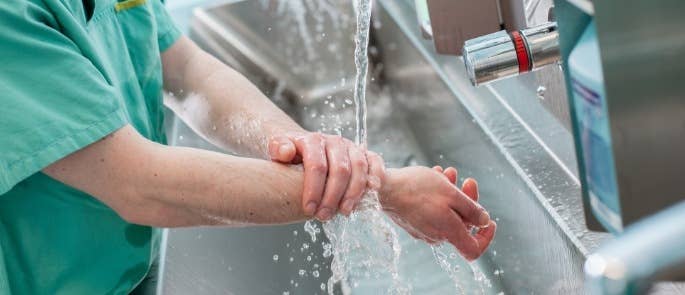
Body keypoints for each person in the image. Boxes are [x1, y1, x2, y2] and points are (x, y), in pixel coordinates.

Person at [0, 0, 496, 293]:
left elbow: (190, 73)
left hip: (126, 272)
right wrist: (379, 187)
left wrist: (303, 147)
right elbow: (141, 184)